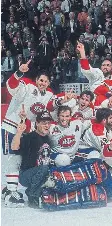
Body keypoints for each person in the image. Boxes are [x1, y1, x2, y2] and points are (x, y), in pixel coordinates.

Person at [2, 60, 54, 207]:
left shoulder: (47, 95)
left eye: (46, 81)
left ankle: (9, 189)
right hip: (12, 126)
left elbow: (51, 106)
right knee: (14, 158)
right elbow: (11, 86)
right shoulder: (27, 86)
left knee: (21, 159)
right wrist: (19, 72)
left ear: (48, 83)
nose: (42, 83)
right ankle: (12, 192)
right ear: (36, 80)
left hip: (25, 130)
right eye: (41, 80)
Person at [11, 111, 53, 208]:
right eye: (43, 123)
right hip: (26, 175)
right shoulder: (30, 137)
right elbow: (14, 148)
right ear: (37, 123)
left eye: (48, 123)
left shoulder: (48, 138)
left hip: (40, 174)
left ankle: (38, 192)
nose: (46, 125)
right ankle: (32, 194)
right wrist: (19, 133)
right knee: (44, 168)